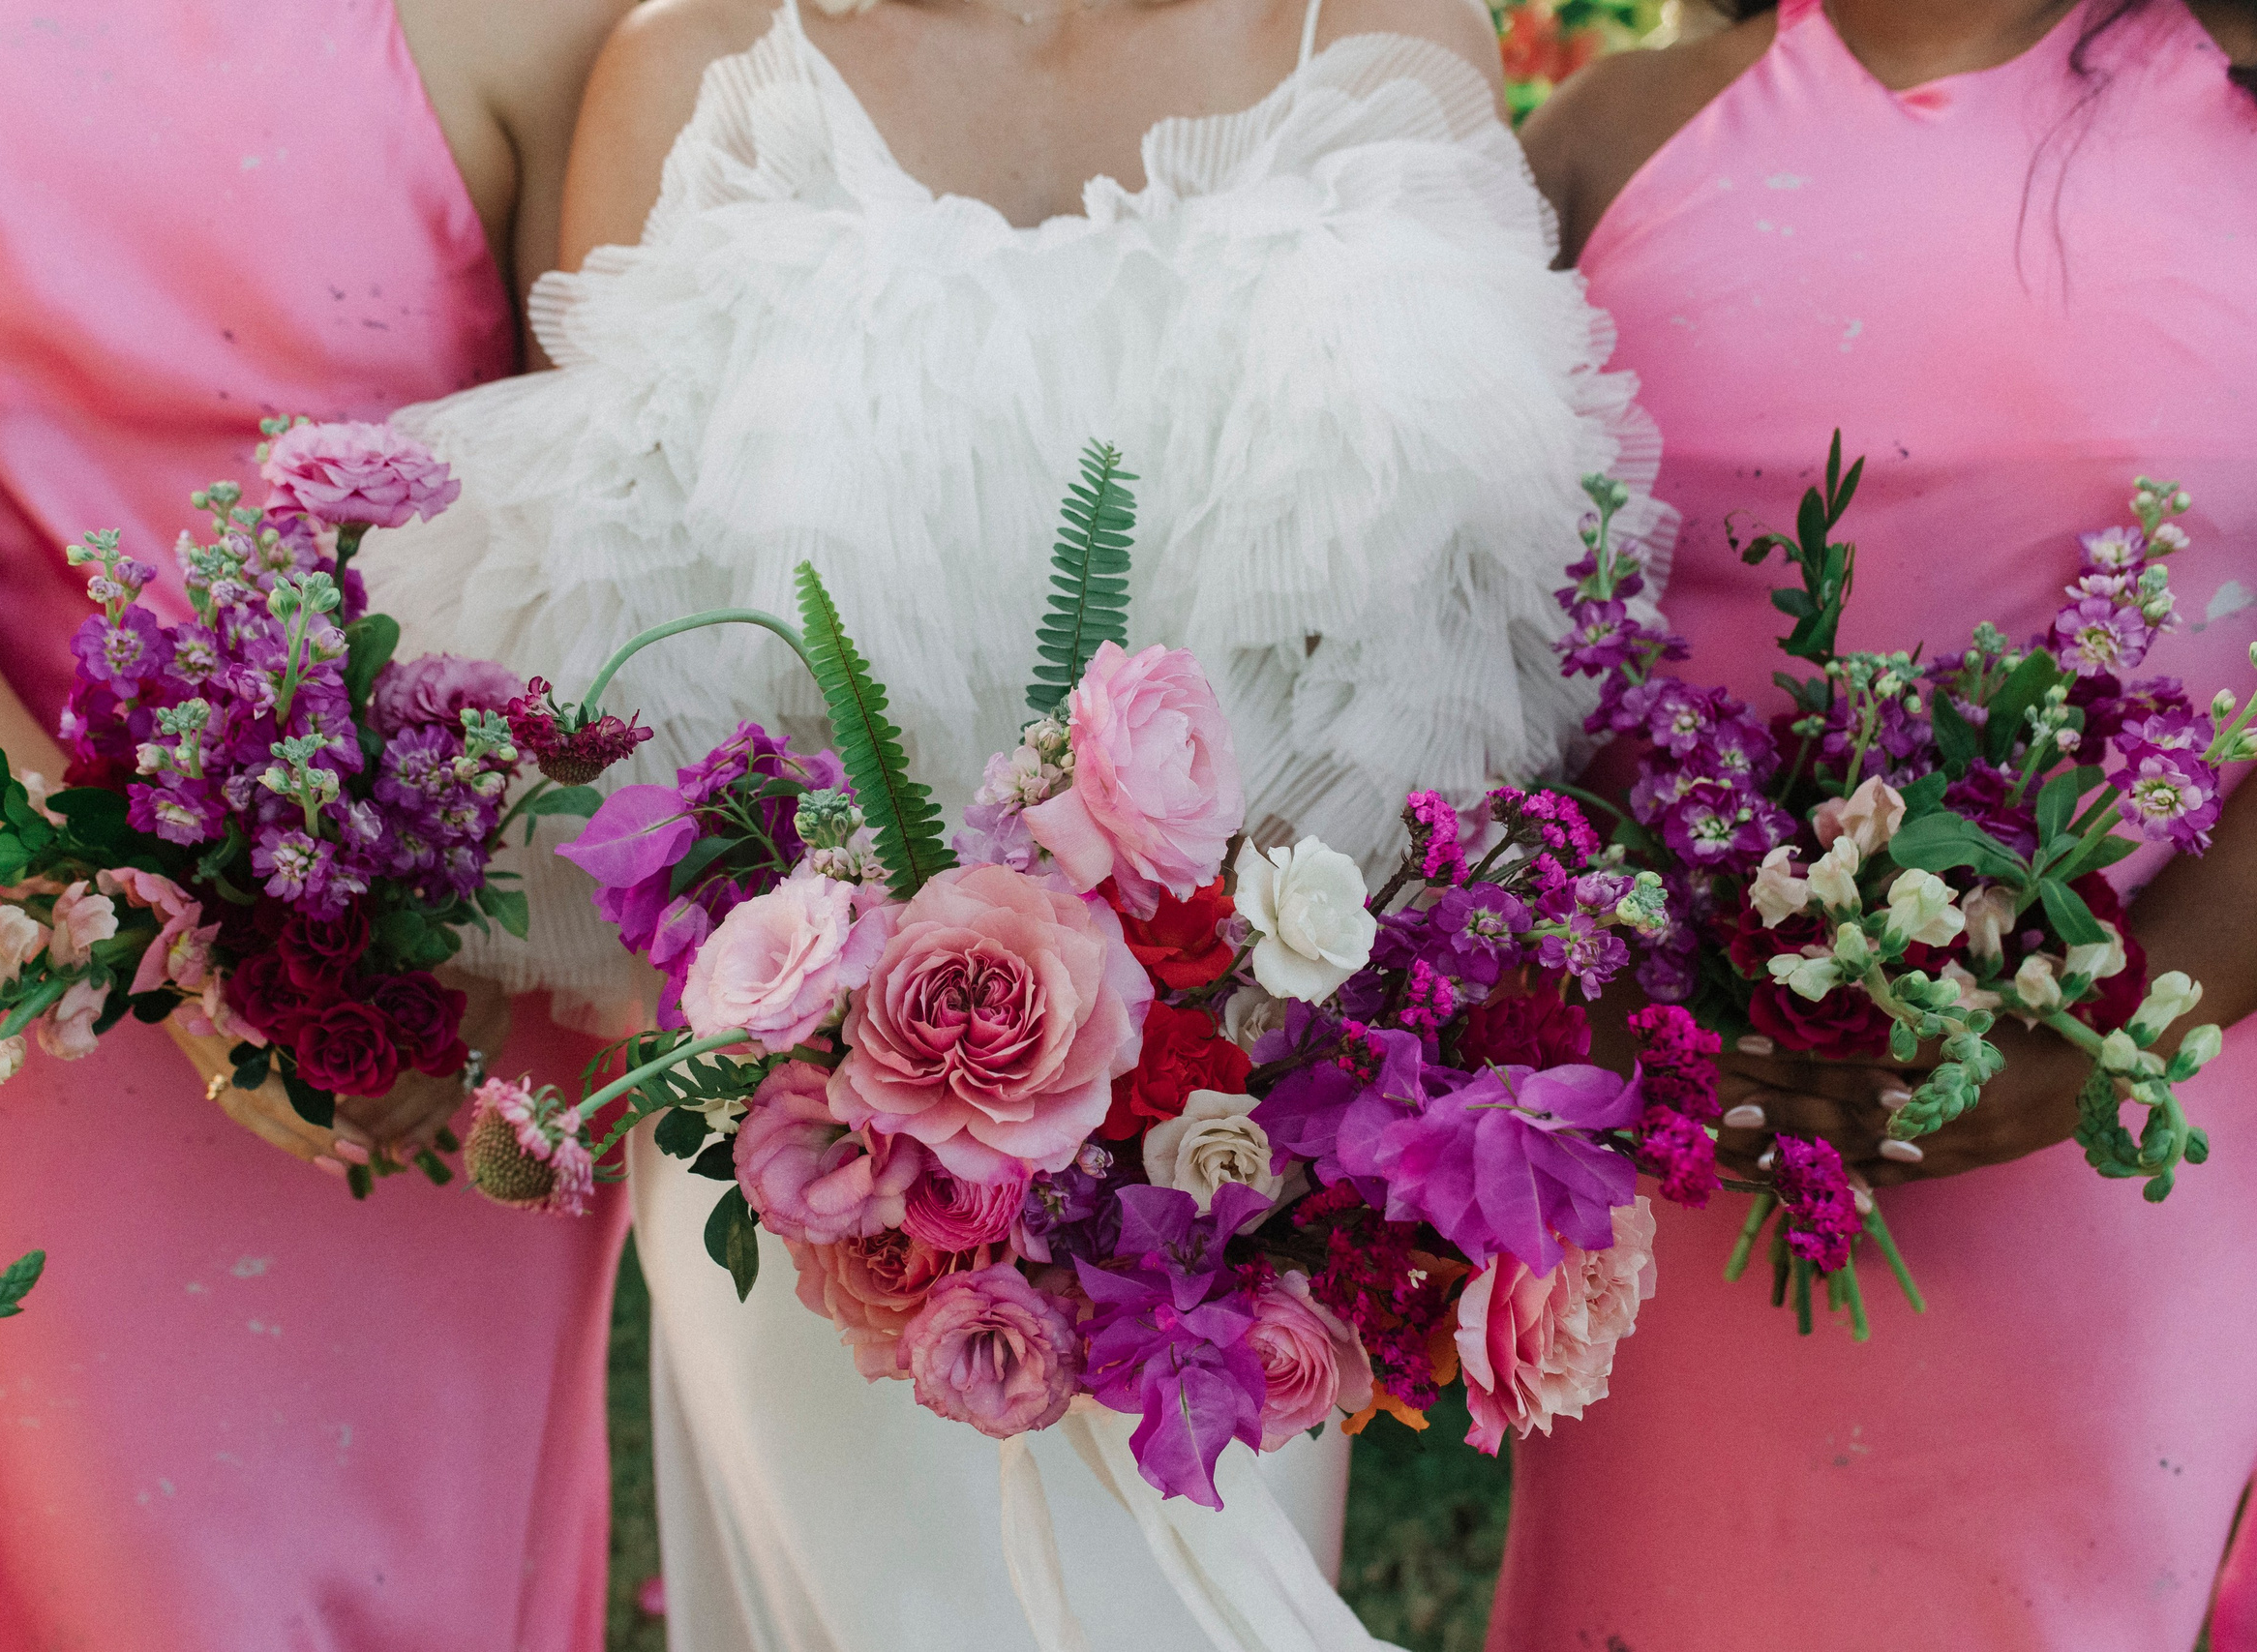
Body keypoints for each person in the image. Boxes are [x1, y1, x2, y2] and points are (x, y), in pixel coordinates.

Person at [355, 0, 1675, 1641]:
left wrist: (1225, 1041)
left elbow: (1470, 648)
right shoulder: (702, 80)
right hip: (832, 1184)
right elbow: (627, 684)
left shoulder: (1387, 43)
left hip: (1238, 1179)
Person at [0, 0, 633, 1645]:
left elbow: (601, 527)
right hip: (37, 981)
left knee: (450, 1593)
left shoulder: (548, 19)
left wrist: (425, 920)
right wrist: (144, 936)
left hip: (431, 980)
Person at [1499, 2, 2257, 1646]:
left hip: (2134, 1171)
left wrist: (2100, 1032)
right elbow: (1471, 650)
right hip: (1695, 1158)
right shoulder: (1604, 141)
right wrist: (1673, 1005)